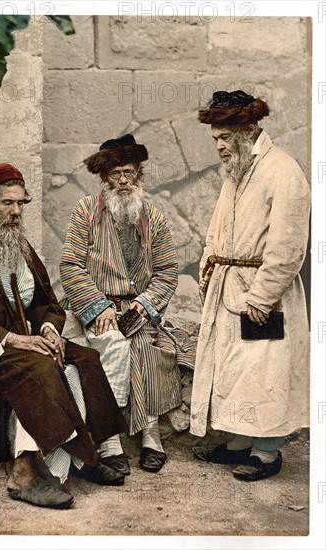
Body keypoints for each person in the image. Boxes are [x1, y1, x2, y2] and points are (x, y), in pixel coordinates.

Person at [0, 163, 128, 509]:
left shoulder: (17, 243)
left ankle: (85, 457)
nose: (16, 212)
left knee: (84, 358)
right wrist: (20, 340)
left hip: (22, 343)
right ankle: (23, 473)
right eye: (8, 203)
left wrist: (49, 330)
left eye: (21, 203)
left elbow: (43, 301)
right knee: (38, 368)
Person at [190, 90, 310, 481]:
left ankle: (267, 452)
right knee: (234, 368)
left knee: (265, 371)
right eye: (216, 140)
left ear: (249, 128)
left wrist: (262, 295)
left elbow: (289, 245)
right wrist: (209, 266)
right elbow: (217, 228)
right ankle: (240, 441)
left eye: (225, 137)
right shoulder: (237, 171)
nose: (220, 146)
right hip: (228, 284)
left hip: (263, 290)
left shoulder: (282, 170)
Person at [59, 134, 181, 474]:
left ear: (139, 174)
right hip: (98, 307)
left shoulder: (154, 218)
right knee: (113, 344)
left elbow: (169, 269)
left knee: (147, 345)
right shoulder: (85, 212)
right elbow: (69, 265)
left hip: (137, 309)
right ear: (104, 178)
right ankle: (109, 437)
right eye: (115, 174)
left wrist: (144, 304)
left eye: (129, 172)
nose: (123, 181)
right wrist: (98, 306)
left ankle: (150, 434)